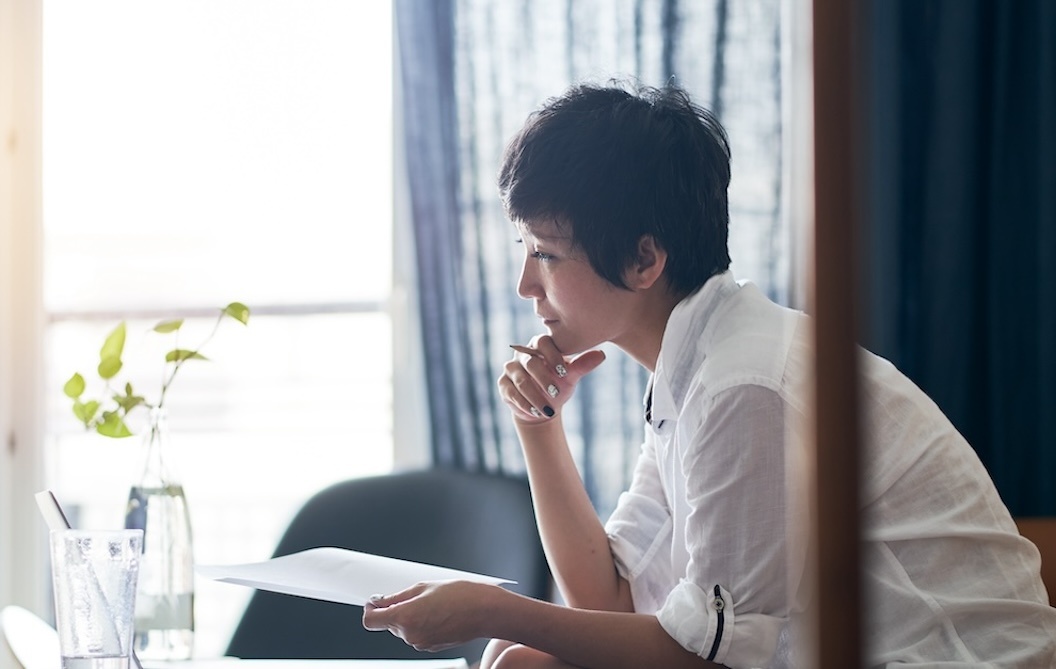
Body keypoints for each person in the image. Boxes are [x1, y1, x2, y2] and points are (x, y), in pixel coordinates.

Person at [361, 81, 1056, 668]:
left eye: (545, 253)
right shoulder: (695, 366)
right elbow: (607, 595)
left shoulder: (742, 385)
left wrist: (494, 608)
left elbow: (705, 658)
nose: (524, 285)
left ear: (644, 259)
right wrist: (537, 426)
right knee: (519, 658)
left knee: (520, 652)